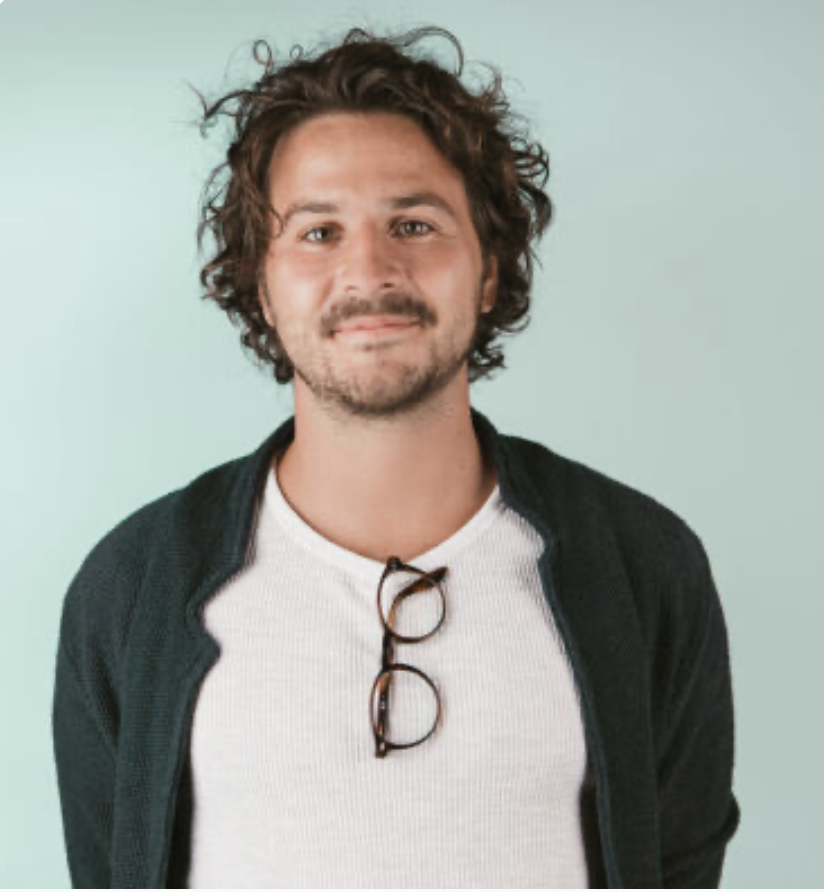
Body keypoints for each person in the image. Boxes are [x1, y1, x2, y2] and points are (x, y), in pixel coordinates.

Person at [51, 24, 741, 889]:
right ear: (262, 285)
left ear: (488, 271)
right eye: (318, 232)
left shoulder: (642, 563)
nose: (370, 270)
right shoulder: (134, 585)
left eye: (414, 224)